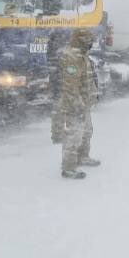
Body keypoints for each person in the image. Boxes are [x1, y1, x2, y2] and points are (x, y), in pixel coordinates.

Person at [55, 29, 100, 179]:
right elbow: (70, 86)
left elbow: (88, 79)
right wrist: (77, 104)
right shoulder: (72, 57)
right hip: (75, 105)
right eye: (89, 40)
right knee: (74, 136)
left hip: (84, 104)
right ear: (81, 40)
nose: (91, 44)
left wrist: (94, 95)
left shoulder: (83, 56)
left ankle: (83, 157)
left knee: (87, 131)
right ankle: (68, 168)